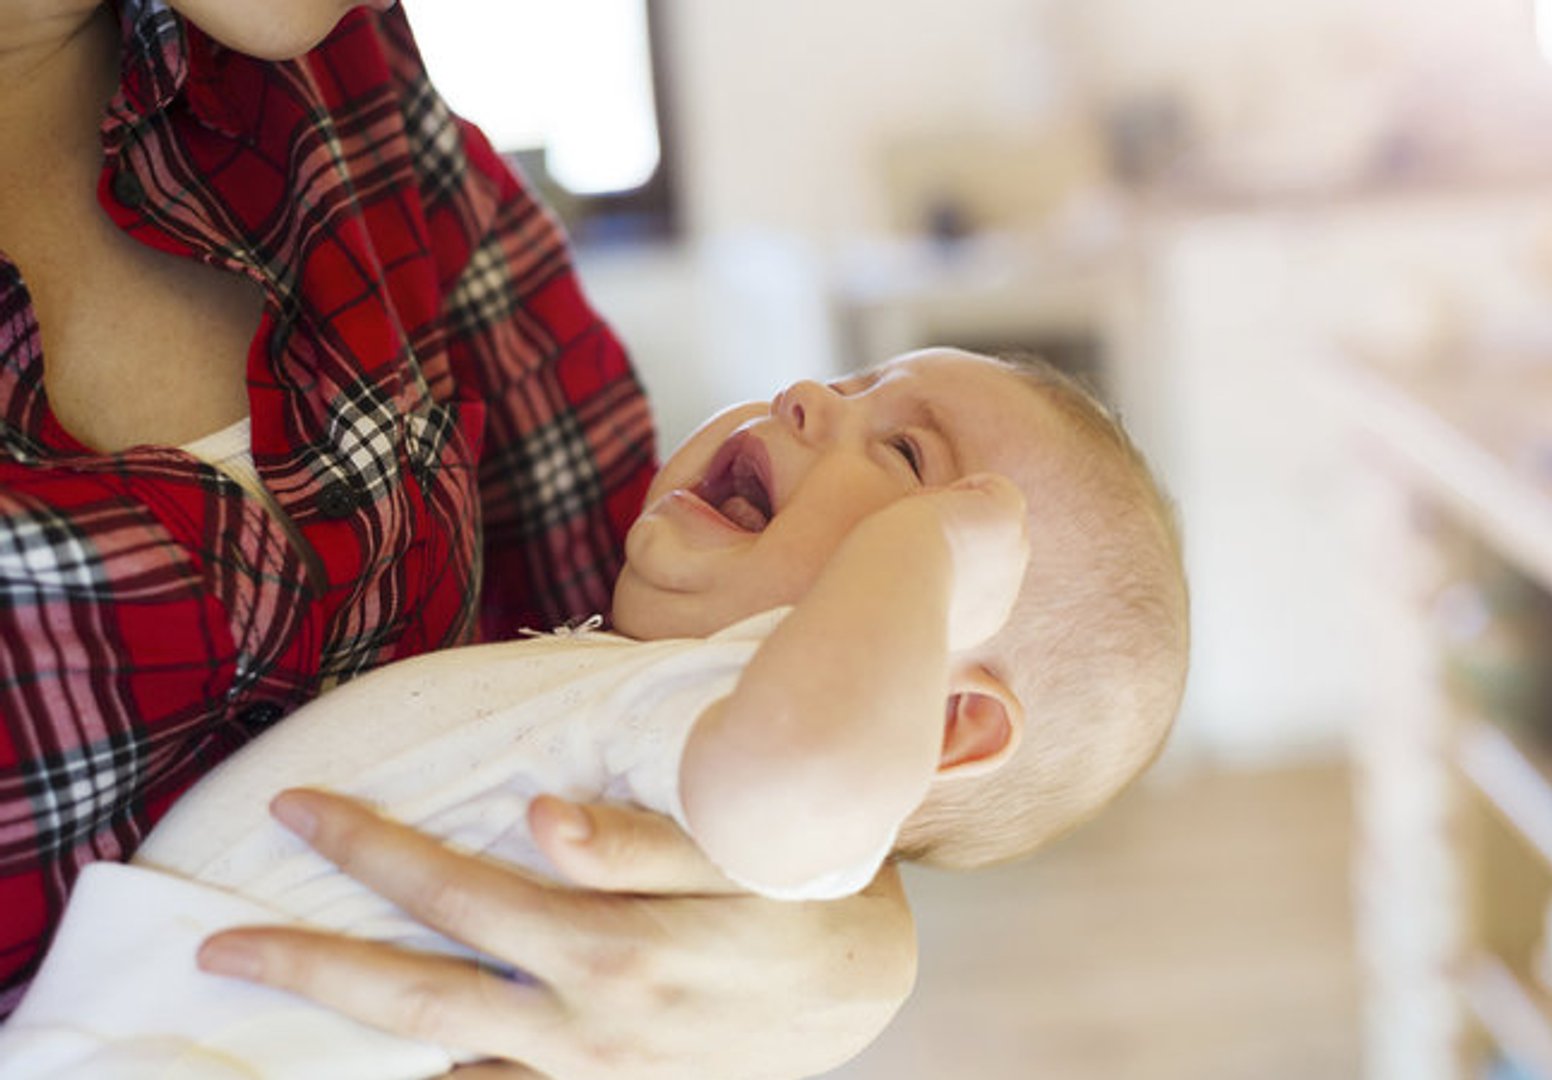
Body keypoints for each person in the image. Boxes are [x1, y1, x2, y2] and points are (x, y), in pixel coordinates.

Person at [0, 1, 917, 1074]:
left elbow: (659, 620)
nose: (808, 397)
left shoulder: (338, 74)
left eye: (908, 452)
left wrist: (856, 940)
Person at [0, 347, 1192, 1077]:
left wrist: (926, 557)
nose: (805, 398)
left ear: (942, 728)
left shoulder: (726, 708)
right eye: (847, 379)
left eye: (913, 459)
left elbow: (798, 792)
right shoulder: (630, 688)